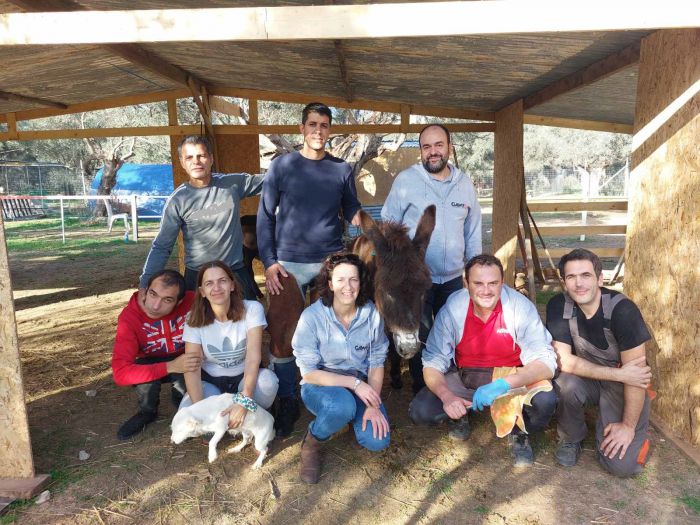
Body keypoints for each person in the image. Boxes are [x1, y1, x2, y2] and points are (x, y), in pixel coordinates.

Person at [257, 102, 363, 436]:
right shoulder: (282, 166)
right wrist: (270, 262)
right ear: (302, 128)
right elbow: (265, 215)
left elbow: (353, 212)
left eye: (325, 125)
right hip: (287, 265)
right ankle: (287, 398)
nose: (318, 130)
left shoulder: (342, 170)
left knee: (330, 333)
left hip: (328, 265)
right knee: (282, 334)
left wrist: (373, 238)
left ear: (330, 130)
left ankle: (329, 393)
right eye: (313, 124)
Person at [409, 255, 557, 467]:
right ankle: (459, 413)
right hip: (467, 375)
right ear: (465, 283)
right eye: (478, 283)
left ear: (502, 282)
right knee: (421, 411)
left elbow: (545, 362)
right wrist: (447, 396)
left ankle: (518, 430)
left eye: (493, 283)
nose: (486, 290)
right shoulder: (454, 308)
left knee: (546, 401)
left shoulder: (519, 307)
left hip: (511, 378)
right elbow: (433, 359)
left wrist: (504, 384)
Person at [381, 123, 482, 394]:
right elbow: (388, 224)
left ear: (450, 147)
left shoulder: (465, 184)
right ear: (421, 151)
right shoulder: (406, 181)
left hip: (452, 278)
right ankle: (422, 389)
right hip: (416, 280)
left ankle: (454, 385)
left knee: (452, 332)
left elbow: (472, 230)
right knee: (420, 333)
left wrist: (474, 272)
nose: (433, 152)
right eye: (427, 147)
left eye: (439, 145)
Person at [546, 249, 652, 477]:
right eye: (571, 277)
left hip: (624, 385)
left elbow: (636, 376)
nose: (578, 284)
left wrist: (627, 426)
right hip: (598, 377)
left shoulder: (623, 311)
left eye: (585, 275)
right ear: (564, 282)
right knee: (564, 382)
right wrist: (617, 374)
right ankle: (571, 437)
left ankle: (638, 433)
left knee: (621, 467)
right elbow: (562, 359)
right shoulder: (558, 306)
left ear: (600, 279)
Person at [292, 253, 390, 484]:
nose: (348, 286)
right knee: (341, 405)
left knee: (377, 441)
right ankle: (312, 441)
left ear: (360, 282)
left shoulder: (371, 314)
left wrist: (372, 404)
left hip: (360, 381)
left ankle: (350, 419)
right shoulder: (312, 317)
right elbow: (308, 372)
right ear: (330, 284)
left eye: (353, 279)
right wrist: (354, 384)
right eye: (340, 280)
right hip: (320, 383)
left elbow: (377, 361)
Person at [139, 135, 263, 299]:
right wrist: (145, 284)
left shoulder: (232, 184)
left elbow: (272, 180)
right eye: (189, 157)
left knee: (247, 322)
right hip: (198, 276)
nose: (196, 161)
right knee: (198, 323)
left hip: (234, 273)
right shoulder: (178, 200)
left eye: (201, 156)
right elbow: (162, 245)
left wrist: (301, 162)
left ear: (211, 159)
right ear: (182, 163)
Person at [178, 261, 278, 429]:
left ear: (232, 285)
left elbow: (253, 357)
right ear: (202, 292)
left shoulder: (252, 309)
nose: (216, 287)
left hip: (243, 378)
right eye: (209, 283)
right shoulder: (192, 319)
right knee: (188, 418)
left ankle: (255, 415)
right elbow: (192, 367)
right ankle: (230, 419)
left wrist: (244, 399)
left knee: (268, 381)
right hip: (211, 382)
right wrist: (201, 410)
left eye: (222, 280)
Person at [112, 269, 200, 440]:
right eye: (153, 294)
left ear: (179, 301)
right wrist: (170, 366)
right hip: (150, 361)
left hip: (184, 358)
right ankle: (147, 412)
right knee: (143, 375)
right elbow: (120, 373)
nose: (155, 305)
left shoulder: (193, 301)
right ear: (145, 290)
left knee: (189, 370)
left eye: (167, 300)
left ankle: (182, 405)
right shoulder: (129, 317)